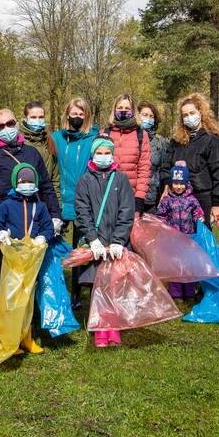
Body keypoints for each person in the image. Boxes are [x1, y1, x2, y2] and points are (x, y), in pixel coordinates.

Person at [0, 108, 62, 340]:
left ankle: (26, 322)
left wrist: (55, 215)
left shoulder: (32, 153)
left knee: (27, 275)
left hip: (31, 222)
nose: (5, 129)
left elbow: (46, 186)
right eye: (0, 126)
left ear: (17, 123)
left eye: (9, 123)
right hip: (1, 224)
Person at [74, 136, 135, 348]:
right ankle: (100, 328)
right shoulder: (85, 180)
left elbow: (127, 211)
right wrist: (92, 239)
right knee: (97, 287)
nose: (103, 157)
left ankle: (113, 327)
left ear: (112, 154)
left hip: (116, 243)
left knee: (114, 285)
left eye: (106, 153)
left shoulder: (121, 179)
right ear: (93, 155)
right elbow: (82, 211)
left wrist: (119, 240)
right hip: (96, 245)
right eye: (99, 153)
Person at [0, 162, 54, 354]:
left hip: (31, 259)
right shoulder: (6, 205)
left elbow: (47, 227)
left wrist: (43, 237)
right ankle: (9, 339)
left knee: (28, 300)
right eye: (22, 181)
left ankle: (27, 337)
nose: (26, 184)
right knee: (11, 299)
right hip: (11, 259)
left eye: (30, 181)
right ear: (15, 182)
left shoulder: (39, 206)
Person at [50, 97, 99, 306]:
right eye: (74, 113)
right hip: (61, 200)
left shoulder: (93, 138)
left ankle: (77, 294)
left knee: (80, 247)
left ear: (86, 116)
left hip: (83, 202)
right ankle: (53, 288)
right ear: (67, 115)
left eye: (81, 114)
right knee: (53, 245)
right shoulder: (56, 138)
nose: (77, 117)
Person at [162, 93, 219, 224]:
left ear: (200, 112)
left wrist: (216, 202)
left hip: (202, 198)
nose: (189, 117)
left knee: (201, 239)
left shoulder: (212, 140)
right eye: (185, 115)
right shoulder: (177, 141)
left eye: (192, 113)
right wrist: (166, 185)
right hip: (177, 198)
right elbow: (166, 166)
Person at [154, 161, 205, 301]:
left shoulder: (191, 199)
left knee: (188, 266)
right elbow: (160, 215)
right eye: (175, 183)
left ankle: (189, 293)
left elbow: (197, 212)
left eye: (181, 183)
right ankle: (176, 294)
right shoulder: (166, 200)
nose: (178, 187)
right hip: (173, 240)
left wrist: (199, 218)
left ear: (186, 183)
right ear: (171, 184)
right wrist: (163, 225)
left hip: (189, 238)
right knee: (175, 266)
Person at [102, 93, 151, 212]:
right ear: (114, 110)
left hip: (130, 196)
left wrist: (139, 197)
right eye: (120, 108)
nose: (123, 111)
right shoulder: (104, 133)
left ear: (133, 111)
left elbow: (144, 168)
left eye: (127, 108)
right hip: (106, 195)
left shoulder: (141, 135)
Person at [18, 100, 59, 193]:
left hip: (47, 197)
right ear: (25, 118)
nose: (37, 120)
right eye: (33, 117)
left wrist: (57, 203)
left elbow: (55, 178)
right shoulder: (19, 141)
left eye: (41, 117)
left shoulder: (50, 141)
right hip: (24, 198)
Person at [138, 101, 170, 214]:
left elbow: (164, 168)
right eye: (145, 115)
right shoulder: (130, 138)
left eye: (151, 116)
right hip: (131, 198)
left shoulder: (160, 142)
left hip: (153, 199)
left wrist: (166, 188)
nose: (148, 118)